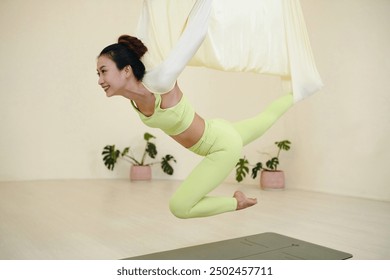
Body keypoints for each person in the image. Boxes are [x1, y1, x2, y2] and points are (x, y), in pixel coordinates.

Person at [96, 0, 293, 218]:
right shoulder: (133, 94)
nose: (100, 80)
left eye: (103, 71)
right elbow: (142, 35)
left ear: (126, 70)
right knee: (266, 119)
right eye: (98, 73)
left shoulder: (160, 81)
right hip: (217, 130)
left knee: (180, 207)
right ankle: (298, 91)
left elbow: (194, 35)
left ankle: (236, 202)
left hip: (220, 147)